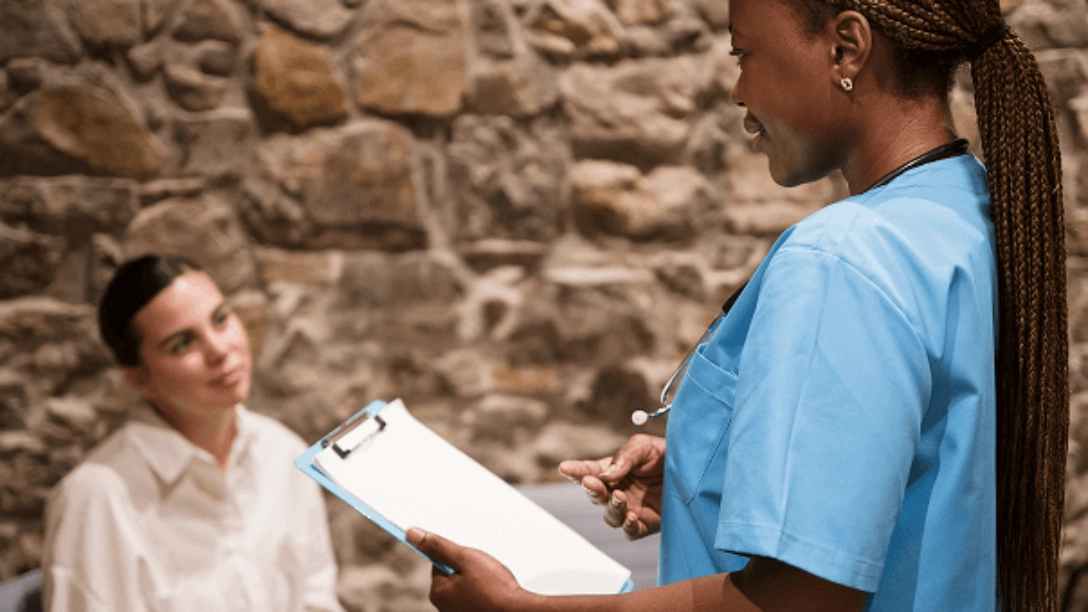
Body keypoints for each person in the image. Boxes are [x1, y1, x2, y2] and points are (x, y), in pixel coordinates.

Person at [405, 0, 1068, 610]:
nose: (738, 91)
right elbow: (921, 467)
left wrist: (530, 610)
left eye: (742, 54)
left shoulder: (843, 257)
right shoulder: (971, 209)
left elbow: (799, 599)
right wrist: (706, 472)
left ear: (847, 48)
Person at [41, 255, 344, 612]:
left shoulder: (283, 453)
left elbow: (317, 603)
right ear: (139, 378)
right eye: (182, 343)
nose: (218, 350)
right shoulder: (96, 498)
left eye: (220, 319)